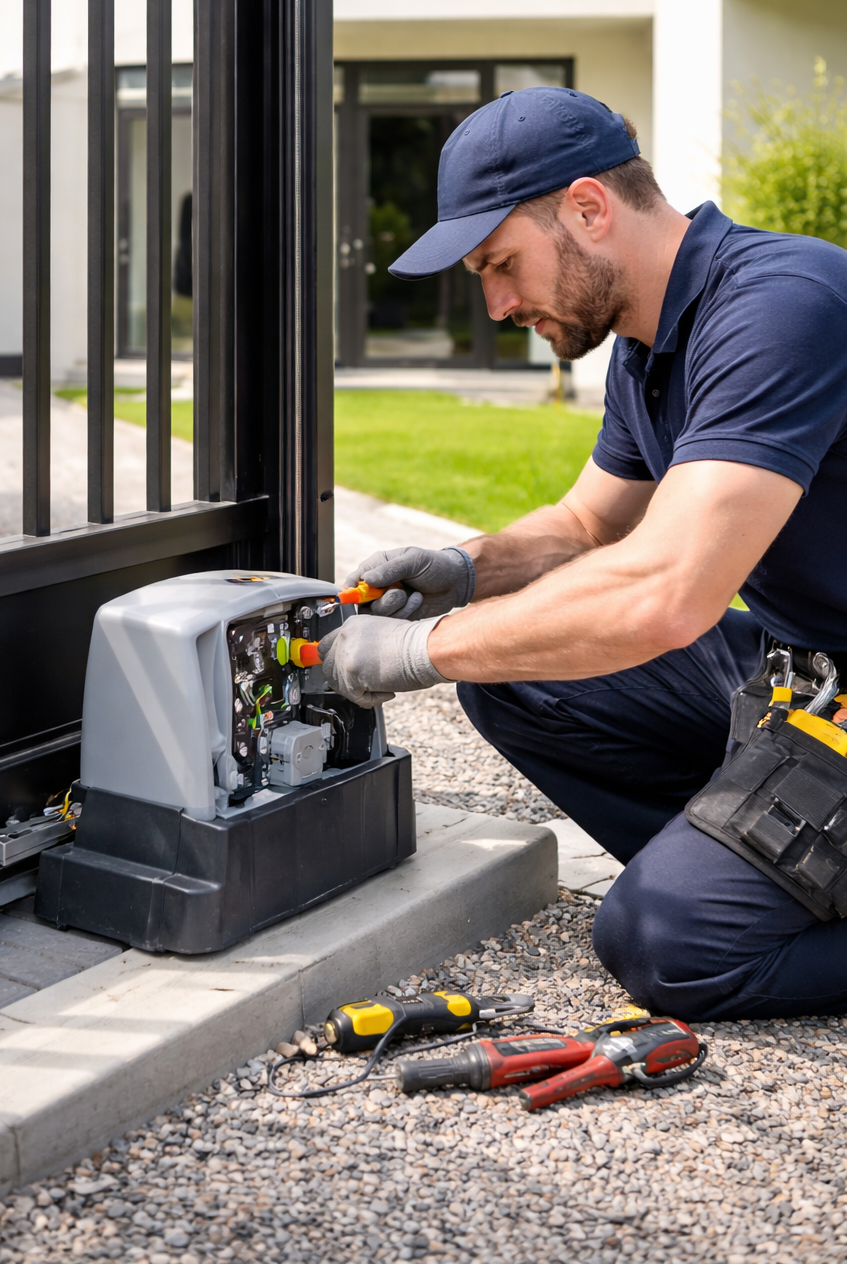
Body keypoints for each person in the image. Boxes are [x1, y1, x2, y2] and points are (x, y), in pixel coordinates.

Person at [319, 85, 847, 1022]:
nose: (497, 302)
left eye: (503, 264)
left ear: (589, 209)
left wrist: (415, 654)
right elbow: (588, 527)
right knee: (517, 674)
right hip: (800, 677)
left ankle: (737, 893)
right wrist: (465, 571)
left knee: (664, 944)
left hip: (831, 693)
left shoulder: (783, 306)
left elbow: (668, 591)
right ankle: (752, 858)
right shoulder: (649, 347)